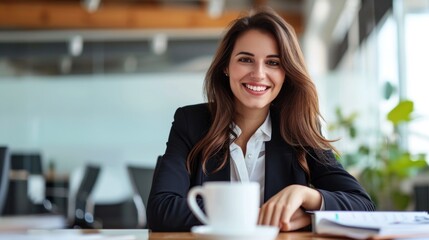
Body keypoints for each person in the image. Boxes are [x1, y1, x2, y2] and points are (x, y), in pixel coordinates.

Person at [147, 7, 375, 232]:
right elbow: (162, 209)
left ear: (286, 73)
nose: (258, 73)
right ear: (226, 66)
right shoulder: (190, 122)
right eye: (246, 59)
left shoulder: (298, 127)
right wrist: (259, 216)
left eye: (273, 62)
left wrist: (306, 198)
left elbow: (362, 206)